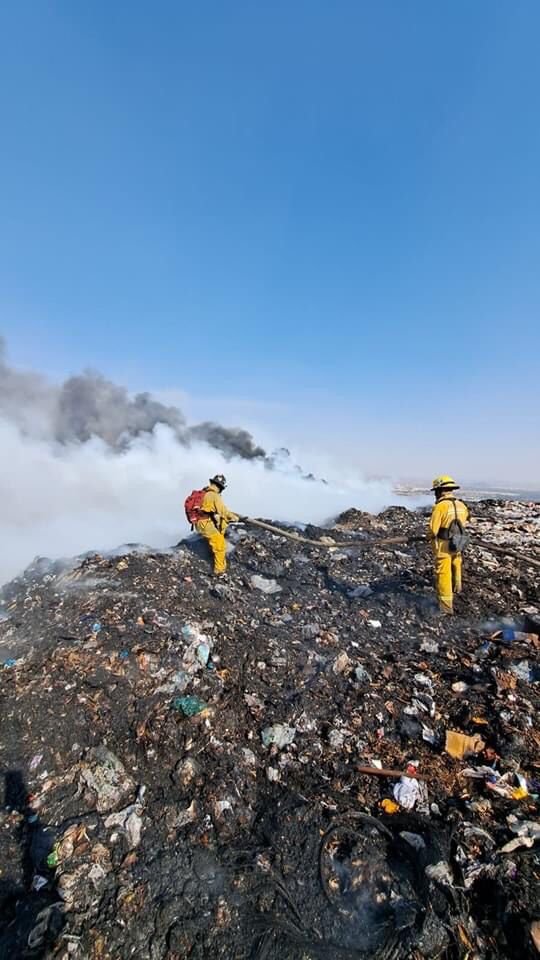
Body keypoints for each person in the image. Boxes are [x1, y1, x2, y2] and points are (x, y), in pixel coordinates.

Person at [428, 476, 469, 614]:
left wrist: (429, 539)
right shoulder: (462, 505)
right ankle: (457, 587)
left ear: (439, 491)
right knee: (456, 563)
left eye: (436, 491)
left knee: (443, 574)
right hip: (458, 542)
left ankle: (446, 607)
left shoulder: (440, 506)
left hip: (444, 545)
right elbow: (464, 523)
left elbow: (433, 529)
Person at [195, 475, 241, 576]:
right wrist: (235, 518)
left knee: (219, 538)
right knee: (220, 545)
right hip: (205, 523)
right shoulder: (214, 495)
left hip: (201, 522)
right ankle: (219, 571)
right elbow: (223, 511)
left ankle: (222, 567)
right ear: (220, 487)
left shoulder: (205, 493)